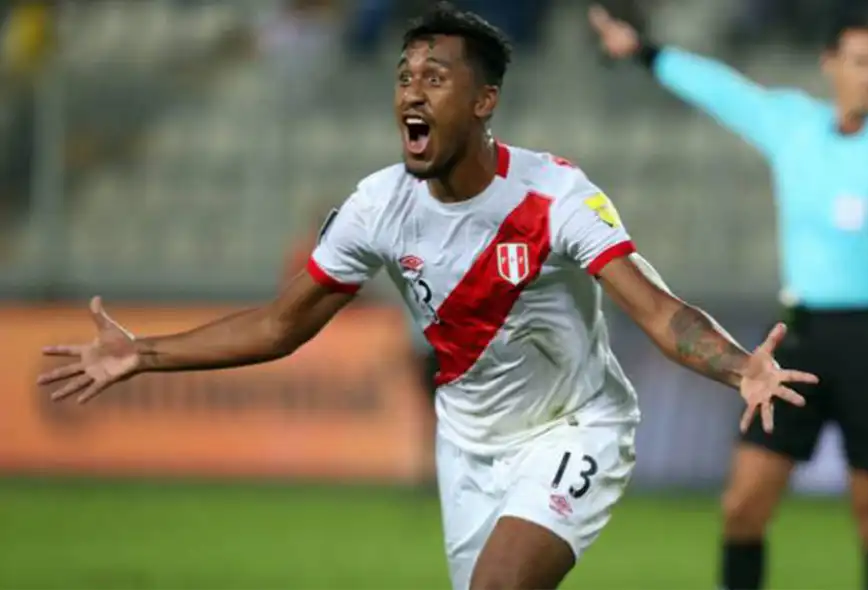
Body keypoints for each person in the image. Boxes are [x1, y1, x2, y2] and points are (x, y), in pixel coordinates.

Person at [37, 4, 816, 589]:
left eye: (436, 78)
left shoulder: (555, 196)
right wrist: (142, 352)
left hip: (575, 426)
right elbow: (282, 324)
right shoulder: (377, 206)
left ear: (484, 103)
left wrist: (740, 366)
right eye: (405, 76)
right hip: (468, 445)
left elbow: (659, 310)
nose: (412, 90)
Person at [589, 5, 868, 590]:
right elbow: (722, 91)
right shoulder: (793, 125)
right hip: (802, 336)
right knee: (741, 506)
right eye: (861, 61)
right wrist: (645, 51)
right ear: (830, 63)